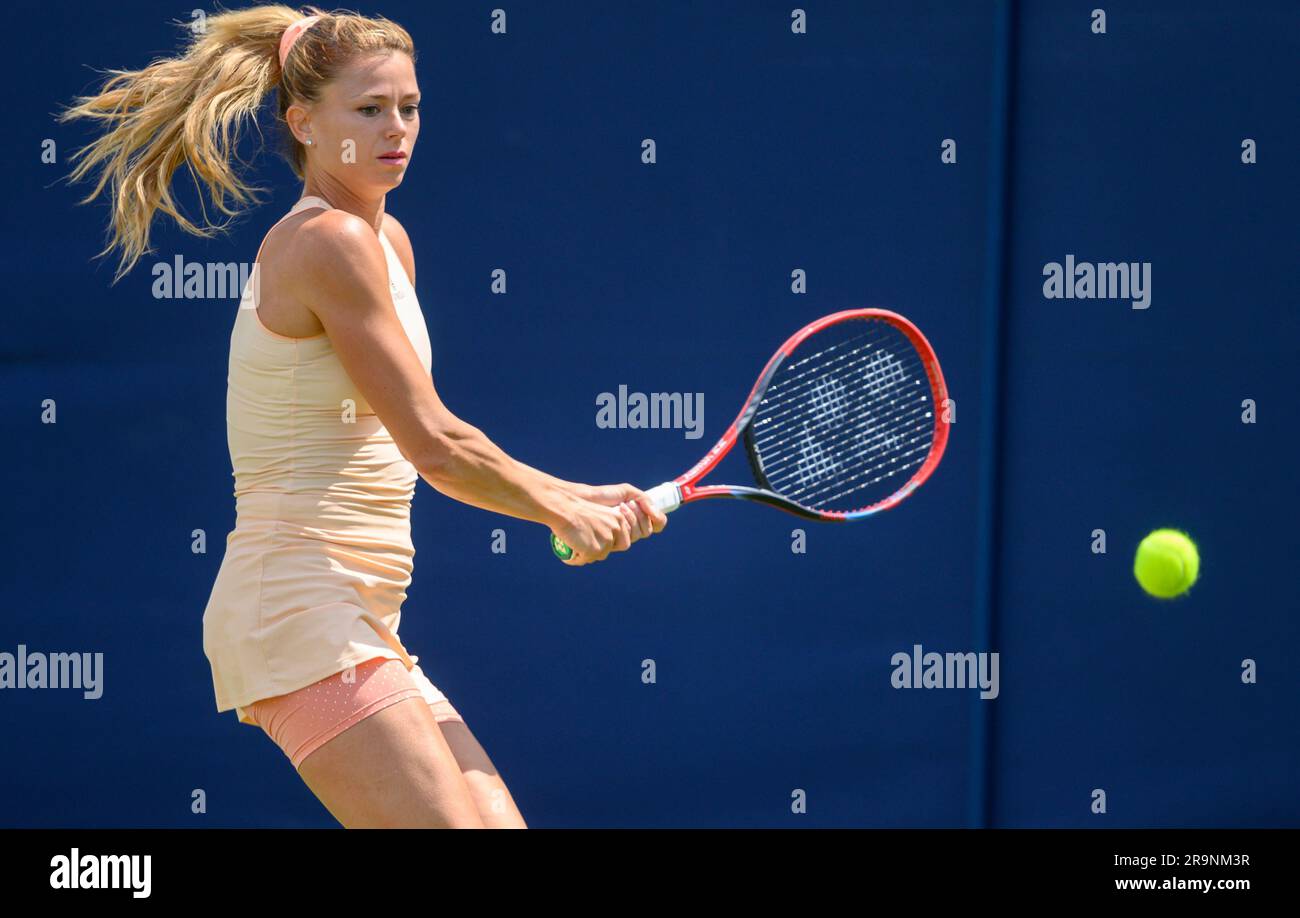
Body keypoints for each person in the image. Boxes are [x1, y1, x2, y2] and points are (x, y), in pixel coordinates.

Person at [58, 4, 666, 828]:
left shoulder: (389, 244)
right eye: (370, 109)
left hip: (364, 613)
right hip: (297, 611)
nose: (398, 128)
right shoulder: (326, 244)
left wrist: (576, 495)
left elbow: (429, 435)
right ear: (303, 122)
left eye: (409, 107)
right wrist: (558, 506)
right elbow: (438, 446)